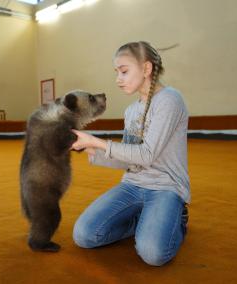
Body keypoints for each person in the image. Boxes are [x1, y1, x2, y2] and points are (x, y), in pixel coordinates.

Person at [70, 41, 190, 266]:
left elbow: (146, 155)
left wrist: (99, 141)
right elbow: (129, 159)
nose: (118, 79)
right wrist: (92, 150)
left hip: (165, 187)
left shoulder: (170, 100)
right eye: (116, 72)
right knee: (84, 235)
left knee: (153, 254)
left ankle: (178, 219)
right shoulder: (131, 110)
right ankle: (141, 221)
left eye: (124, 71)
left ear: (146, 69)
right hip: (132, 184)